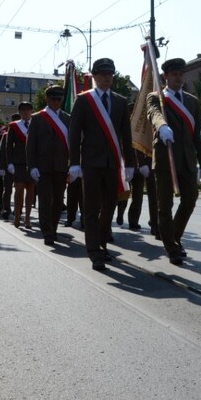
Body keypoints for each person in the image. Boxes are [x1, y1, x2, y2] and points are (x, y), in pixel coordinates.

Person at [67, 57, 136, 271]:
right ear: (94, 76)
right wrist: (74, 163)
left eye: (110, 74)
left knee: (110, 206)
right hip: (91, 163)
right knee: (90, 207)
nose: (107, 78)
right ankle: (94, 252)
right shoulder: (84, 100)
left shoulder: (121, 101)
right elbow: (74, 132)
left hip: (113, 162)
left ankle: (102, 244)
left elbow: (126, 134)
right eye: (103, 74)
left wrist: (130, 164)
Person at [147, 58, 201, 265]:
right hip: (166, 159)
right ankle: (172, 248)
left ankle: (173, 236)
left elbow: (197, 135)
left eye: (181, 74)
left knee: (190, 200)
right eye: (174, 75)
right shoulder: (156, 98)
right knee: (164, 206)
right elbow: (154, 114)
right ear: (165, 76)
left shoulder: (192, 101)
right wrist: (162, 126)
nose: (178, 78)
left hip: (188, 160)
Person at [27, 85, 71, 246]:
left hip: (61, 166)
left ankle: (53, 228)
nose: (56, 102)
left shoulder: (67, 118)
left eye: (59, 99)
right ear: (47, 99)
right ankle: (47, 233)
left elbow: (72, 144)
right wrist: (32, 166)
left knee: (58, 201)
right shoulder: (38, 118)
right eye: (53, 99)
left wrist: (73, 165)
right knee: (45, 201)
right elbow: (31, 145)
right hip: (43, 167)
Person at [5, 102, 35, 229]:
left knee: (31, 192)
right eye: (23, 110)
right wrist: (10, 163)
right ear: (20, 112)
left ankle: (27, 218)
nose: (26, 112)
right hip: (19, 164)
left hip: (32, 163)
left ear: (31, 111)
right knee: (19, 191)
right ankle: (17, 216)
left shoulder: (36, 124)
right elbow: (9, 146)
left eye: (28, 109)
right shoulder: (14, 126)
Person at [0, 114, 19, 220]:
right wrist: (1, 167)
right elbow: (2, 153)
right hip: (7, 167)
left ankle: (17, 209)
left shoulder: (24, 133)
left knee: (19, 189)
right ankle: (6, 208)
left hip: (20, 166)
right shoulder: (6, 135)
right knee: (8, 189)